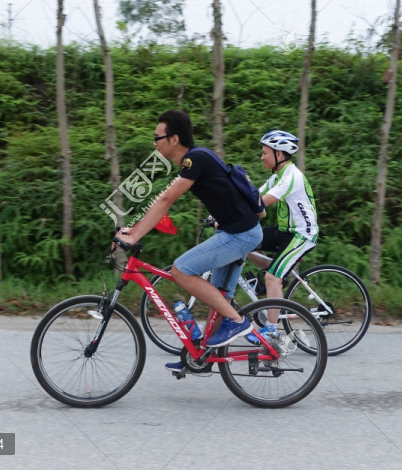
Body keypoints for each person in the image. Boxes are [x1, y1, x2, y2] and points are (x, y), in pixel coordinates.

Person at [116, 110, 263, 372]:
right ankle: (203, 358)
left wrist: (134, 236)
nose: (154, 143)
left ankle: (237, 322)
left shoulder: (194, 159)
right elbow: (163, 201)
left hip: (240, 235)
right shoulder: (194, 161)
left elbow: (165, 201)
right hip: (236, 232)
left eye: (157, 137)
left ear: (173, 139)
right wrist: (134, 229)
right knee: (219, 297)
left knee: (181, 270)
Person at [246, 129, 319, 344]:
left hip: (302, 235)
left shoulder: (291, 176)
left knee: (272, 278)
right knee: (246, 241)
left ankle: (271, 331)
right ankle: (274, 282)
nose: (261, 157)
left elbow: (260, 204)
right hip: (284, 231)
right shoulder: (277, 176)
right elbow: (254, 196)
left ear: (279, 154)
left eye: (264, 152)